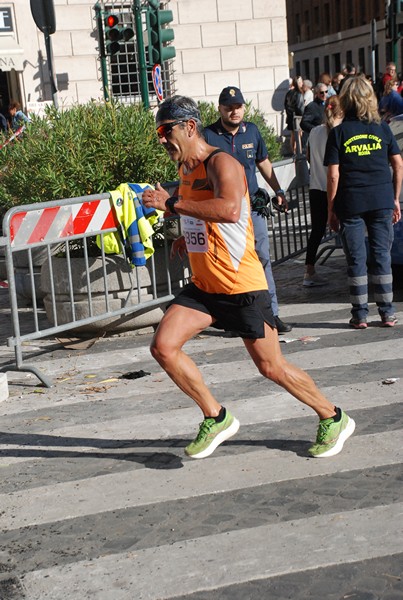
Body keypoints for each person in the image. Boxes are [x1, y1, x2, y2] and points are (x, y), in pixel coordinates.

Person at [141, 95, 355, 460]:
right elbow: (203, 215)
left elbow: (228, 209)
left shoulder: (222, 162)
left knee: (271, 367)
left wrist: (172, 205)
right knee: (163, 346)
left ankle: (333, 416)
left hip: (241, 286)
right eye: (158, 133)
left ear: (189, 127)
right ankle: (216, 415)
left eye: (166, 131)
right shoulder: (185, 170)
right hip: (206, 286)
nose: (162, 140)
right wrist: (187, 239)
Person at [203, 86, 292, 333]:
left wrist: (279, 191)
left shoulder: (251, 131)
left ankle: (271, 315)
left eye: (238, 107)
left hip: (252, 207)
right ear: (220, 109)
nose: (234, 111)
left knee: (262, 259)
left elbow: (263, 163)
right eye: (229, 107)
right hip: (224, 212)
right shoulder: (208, 136)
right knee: (231, 264)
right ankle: (235, 318)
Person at [324, 76, 403, 328]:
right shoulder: (383, 129)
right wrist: (395, 198)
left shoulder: (338, 133)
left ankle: (359, 315)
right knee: (382, 255)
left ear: (345, 101)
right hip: (381, 199)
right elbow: (398, 164)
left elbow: (333, 175)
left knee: (356, 258)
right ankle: (387, 312)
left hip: (351, 201)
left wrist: (331, 209)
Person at [303, 95, 344, 286]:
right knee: (348, 227)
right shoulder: (340, 131)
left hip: (317, 186)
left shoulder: (314, 132)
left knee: (317, 230)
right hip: (337, 186)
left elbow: (309, 157)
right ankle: (355, 267)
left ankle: (309, 270)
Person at [300, 83, 327, 148]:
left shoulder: (328, 104)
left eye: (326, 91)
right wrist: (316, 130)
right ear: (316, 94)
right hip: (316, 140)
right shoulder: (312, 106)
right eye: (321, 93)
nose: (324, 94)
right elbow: (304, 123)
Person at [284, 75, 304, 155]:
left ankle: (294, 151)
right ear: (298, 83)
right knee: (299, 134)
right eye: (301, 81)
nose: (302, 83)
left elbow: (285, 105)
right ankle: (298, 152)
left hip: (290, 117)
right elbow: (300, 107)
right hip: (298, 117)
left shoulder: (289, 93)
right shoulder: (299, 93)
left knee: (293, 134)